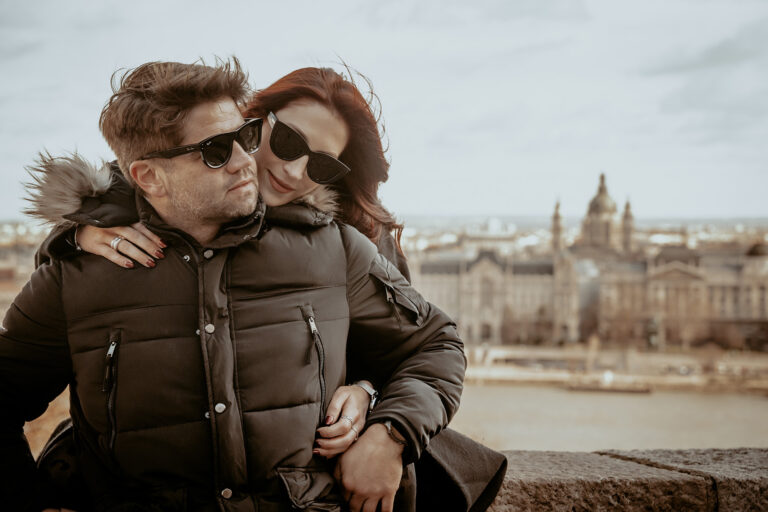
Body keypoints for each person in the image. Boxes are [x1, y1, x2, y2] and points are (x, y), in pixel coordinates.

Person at [0, 58, 465, 512]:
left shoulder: (342, 242)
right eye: (282, 141)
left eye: (322, 165)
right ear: (257, 121)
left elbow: (427, 345)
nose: (291, 171)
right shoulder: (92, 253)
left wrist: (384, 422)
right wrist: (76, 235)